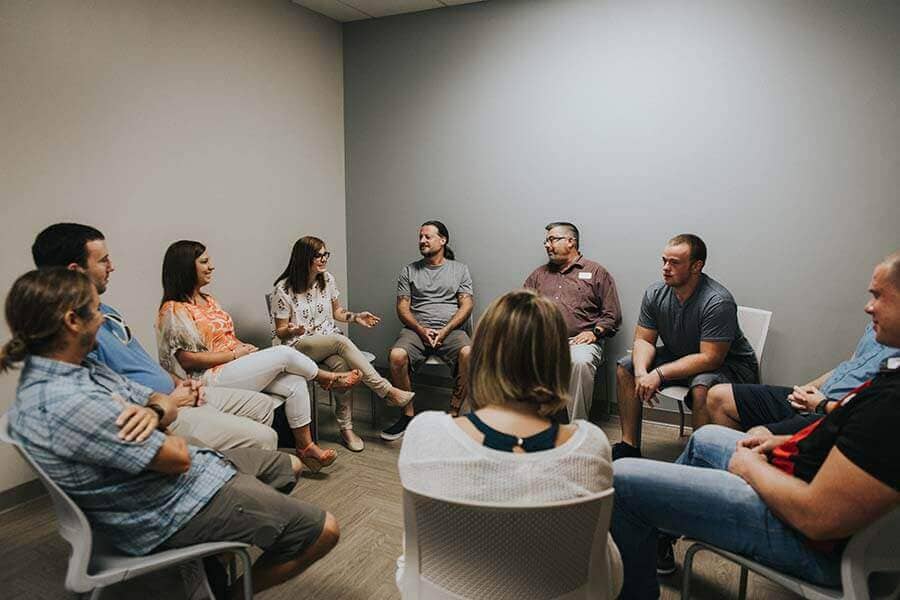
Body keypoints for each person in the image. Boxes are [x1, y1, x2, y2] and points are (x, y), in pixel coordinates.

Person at [1, 268, 340, 599]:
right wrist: (164, 416)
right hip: (165, 505)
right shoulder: (69, 403)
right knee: (324, 530)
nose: (102, 320)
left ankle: (212, 556)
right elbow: (176, 455)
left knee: (290, 466)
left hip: (174, 475)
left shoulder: (82, 367)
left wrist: (156, 412)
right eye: (96, 311)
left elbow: (156, 401)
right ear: (72, 322)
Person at [610, 252, 900, 600]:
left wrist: (751, 467)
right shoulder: (890, 375)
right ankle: (661, 534)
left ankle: (641, 555)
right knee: (706, 439)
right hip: (796, 474)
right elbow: (841, 434)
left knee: (623, 478)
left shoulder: (890, 407)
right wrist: (779, 441)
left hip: (805, 539)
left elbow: (818, 517)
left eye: (878, 296)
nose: (868, 307)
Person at [398, 290, 622, 597]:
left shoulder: (424, 432)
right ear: (558, 359)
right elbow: (608, 572)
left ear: (481, 353)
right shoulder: (592, 446)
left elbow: (412, 554)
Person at [31, 223, 278, 450]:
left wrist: (179, 383)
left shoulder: (107, 312)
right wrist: (168, 401)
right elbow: (107, 401)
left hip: (180, 391)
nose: (112, 266)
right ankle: (225, 483)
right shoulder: (71, 334)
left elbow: (142, 363)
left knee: (264, 405)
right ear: (75, 271)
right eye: (103, 260)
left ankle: (242, 475)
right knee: (265, 437)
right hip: (162, 409)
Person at [155, 240, 360, 472]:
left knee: (294, 382)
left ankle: (306, 448)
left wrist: (243, 349)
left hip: (232, 364)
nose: (211, 266)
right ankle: (326, 378)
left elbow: (224, 337)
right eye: (204, 262)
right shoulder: (174, 310)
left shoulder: (209, 300)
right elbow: (187, 360)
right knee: (283, 353)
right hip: (206, 378)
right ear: (185, 268)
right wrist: (234, 354)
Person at [613, 234, 759, 460]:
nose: (665, 268)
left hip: (730, 366)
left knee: (702, 386)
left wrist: (659, 374)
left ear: (696, 266)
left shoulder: (717, 301)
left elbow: (710, 359)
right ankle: (629, 446)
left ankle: (700, 458)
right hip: (681, 356)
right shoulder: (655, 293)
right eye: (664, 261)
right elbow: (643, 340)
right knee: (626, 368)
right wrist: (642, 373)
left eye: (674, 263)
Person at [271, 236, 415, 452]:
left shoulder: (326, 279)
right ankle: (386, 391)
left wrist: (356, 317)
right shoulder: (283, 288)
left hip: (326, 342)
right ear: (304, 259)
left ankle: (346, 429)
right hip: (298, 347)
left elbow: (337, 312)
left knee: (342, 366)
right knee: (340, 341)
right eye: (318, 255)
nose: (323, 259)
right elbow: (281, 332)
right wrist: (291, 329)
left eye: (325, 254)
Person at [703, 322, 900, 434]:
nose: (870, 306)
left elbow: (874, 411)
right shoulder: (878, 325)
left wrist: (822, 405)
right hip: (816, 397)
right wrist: (804, 389)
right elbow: (848, 367)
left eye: (879, 295)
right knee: (718, 397)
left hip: (836, 415)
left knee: (754, 437)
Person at [382, 220, 474, 442]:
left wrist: (445, 330)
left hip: (451, 330)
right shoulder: (409, 270)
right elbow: (403, 307)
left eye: (427, 237)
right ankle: (407, 415)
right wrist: (421, 330)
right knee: (396, 355)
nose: (422, 241)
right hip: (415, 330)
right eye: (420, 237)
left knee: (469, 353)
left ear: (442, 240)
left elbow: (467, 305)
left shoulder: (459, 269)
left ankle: (453, 414)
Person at [524, 221, 622, 421]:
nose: (547, 245)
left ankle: (577, 429)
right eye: (546, 241)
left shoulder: (596, 272)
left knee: (580, 362)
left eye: (552, 239)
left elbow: (612, 314)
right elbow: (521, 307)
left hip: (580, 341)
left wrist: (594, 332)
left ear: (570, 242)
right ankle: (526, 423)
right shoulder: (539, 275)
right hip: (543, 342)